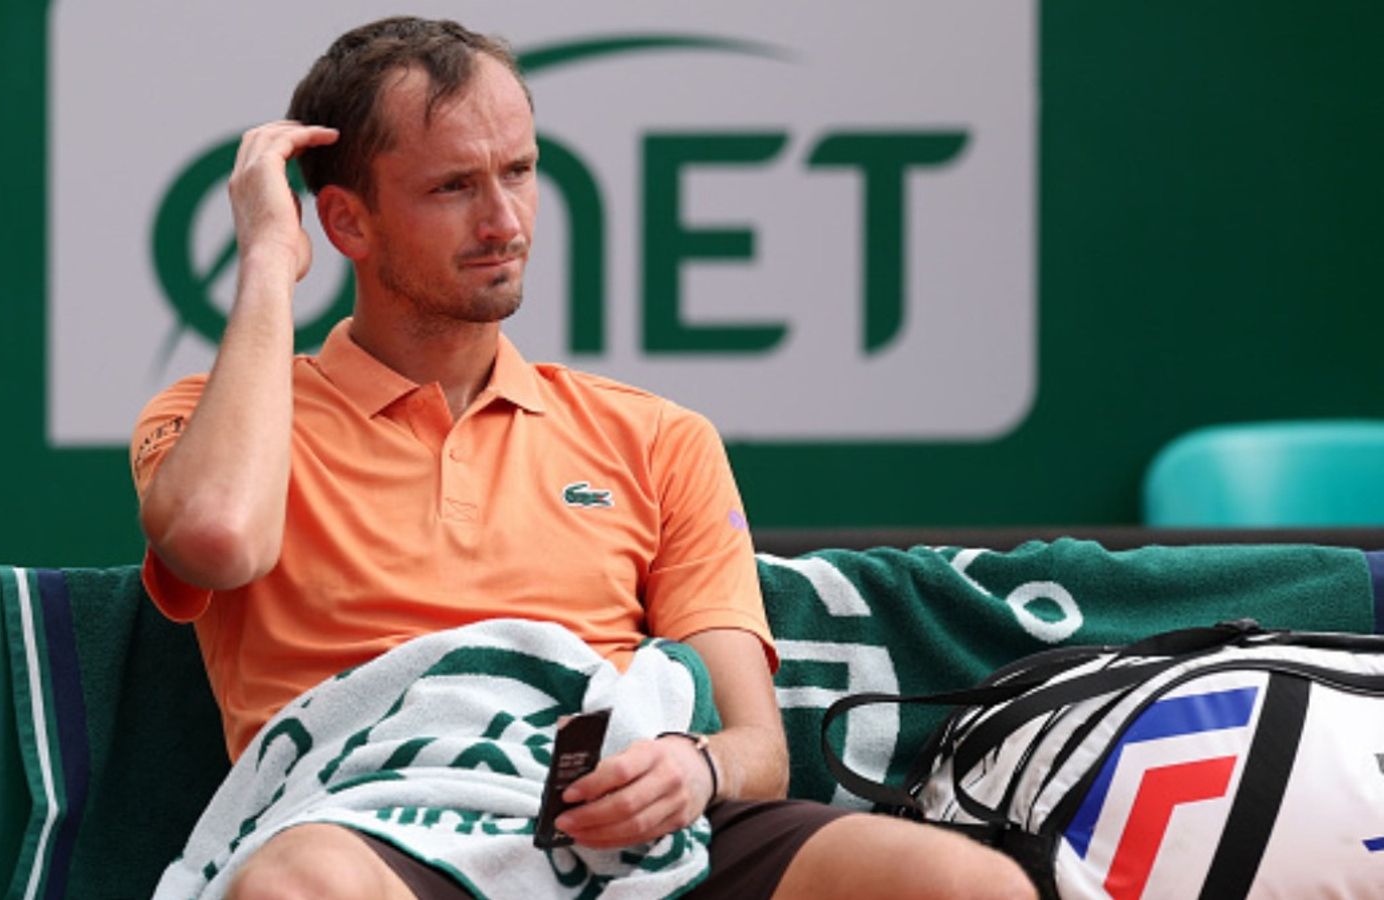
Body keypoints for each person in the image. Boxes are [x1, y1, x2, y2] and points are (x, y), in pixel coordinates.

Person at [131, 15, 1033, 900]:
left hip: (622, 840)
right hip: (372, 819)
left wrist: (693, 768)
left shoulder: (657, 436)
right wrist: (264, 262)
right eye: (453, 187)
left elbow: (759, 751)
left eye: (519, 172)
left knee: (967, 882)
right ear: (346, 225)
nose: (504, 220)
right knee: (297, 886)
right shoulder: (220, 423)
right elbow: (216, 538)